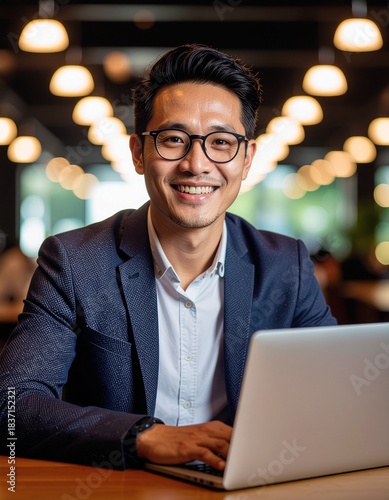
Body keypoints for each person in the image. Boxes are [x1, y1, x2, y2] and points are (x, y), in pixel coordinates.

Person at [0, 43, 337, 471]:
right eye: (174, 139)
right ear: (139, 152)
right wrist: (144, 436)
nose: (197, 164)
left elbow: (336, 393)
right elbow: (13, 406)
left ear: (247, 158)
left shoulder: (285, 265)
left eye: (221, 142)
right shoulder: (74, 261)